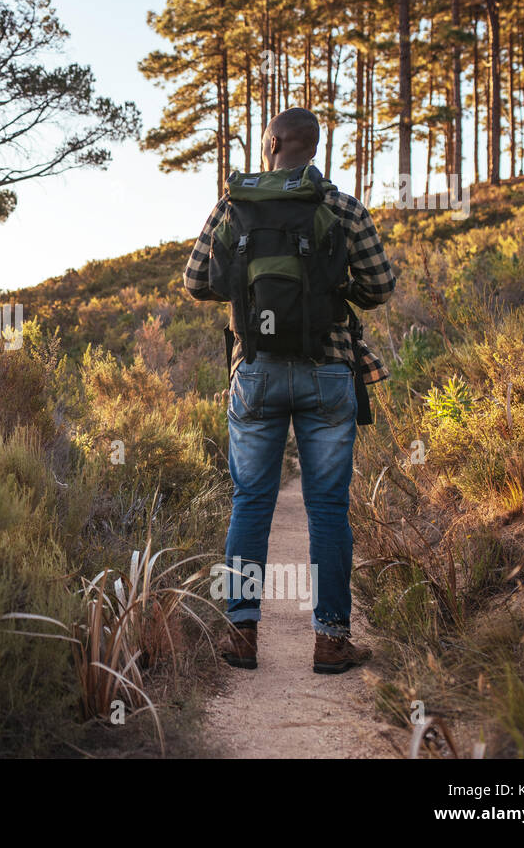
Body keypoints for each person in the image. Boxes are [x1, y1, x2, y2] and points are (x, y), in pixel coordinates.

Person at [184, 107, 396, 674]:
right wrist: (332, 285)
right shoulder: (342, 207)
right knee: (327, 508)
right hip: (328, 370)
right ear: (315, 146)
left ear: (271, 144)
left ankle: (241, 634)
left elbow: (196, 281)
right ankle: (330, 641)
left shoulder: (232, 205)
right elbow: (380, 287)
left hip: (254, 371)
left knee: (250, 502)